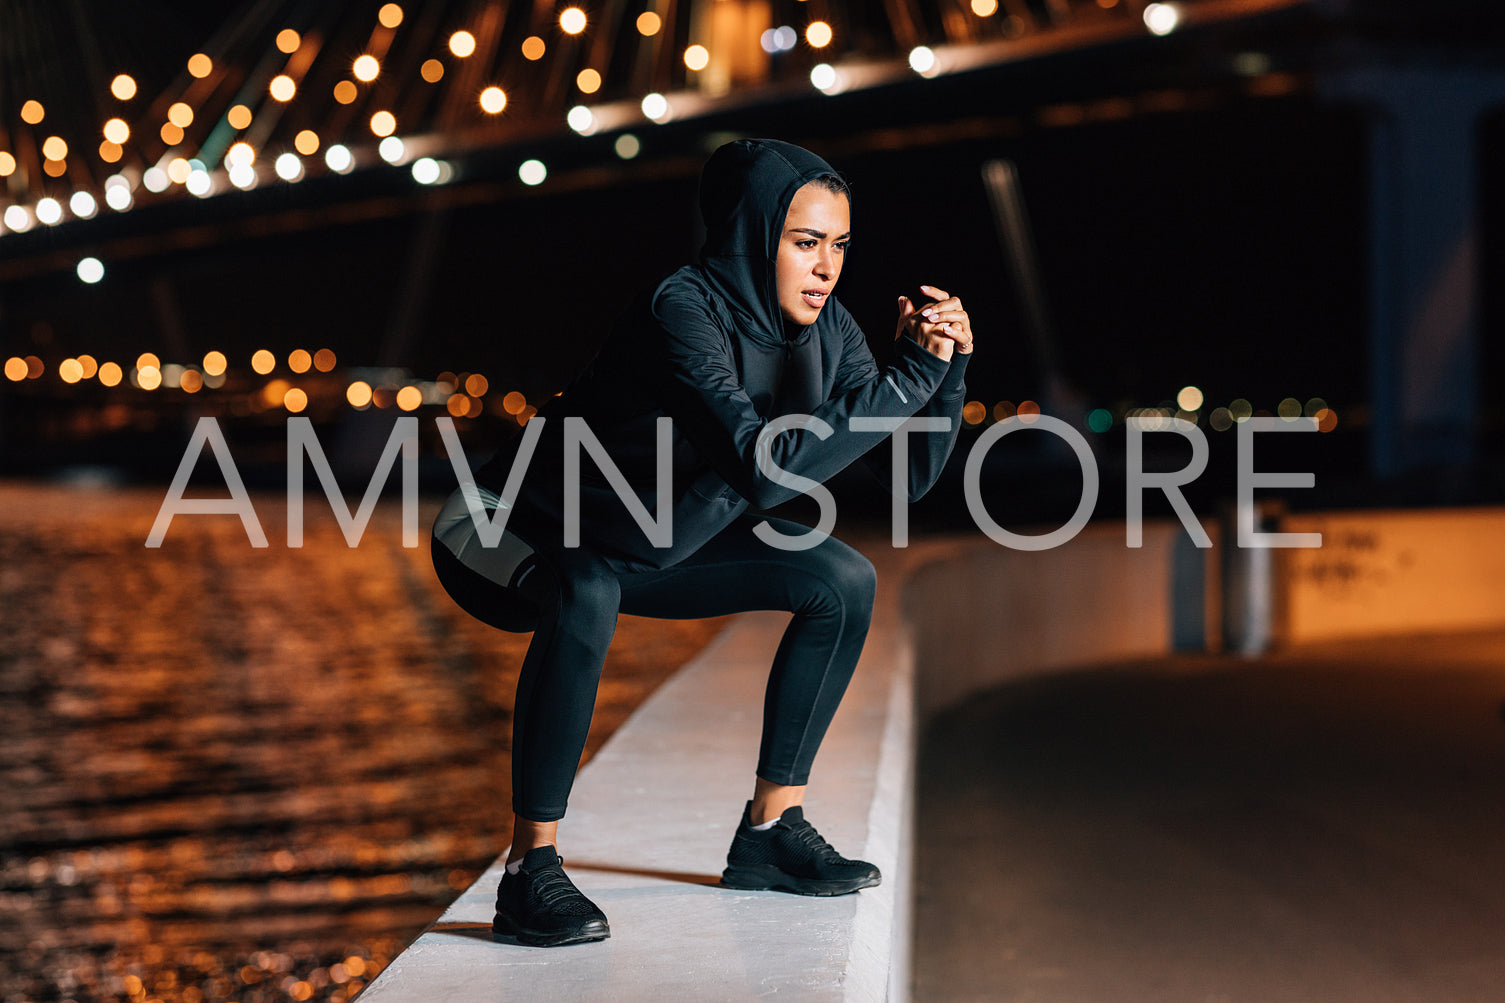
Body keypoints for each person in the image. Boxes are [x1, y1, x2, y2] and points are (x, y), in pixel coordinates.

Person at [430, 138, 975, 947]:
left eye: (838, 245)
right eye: (803, 242)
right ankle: (528, 869)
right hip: (497, 525)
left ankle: (768, 831)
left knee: (842, 581)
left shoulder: (832, 334)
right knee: (585, 586)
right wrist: (900, 380)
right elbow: (762, 470)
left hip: (646, 541)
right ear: (751, 235)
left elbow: (907, 483)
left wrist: (943, 371)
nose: (825, 267)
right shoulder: (680, 309)